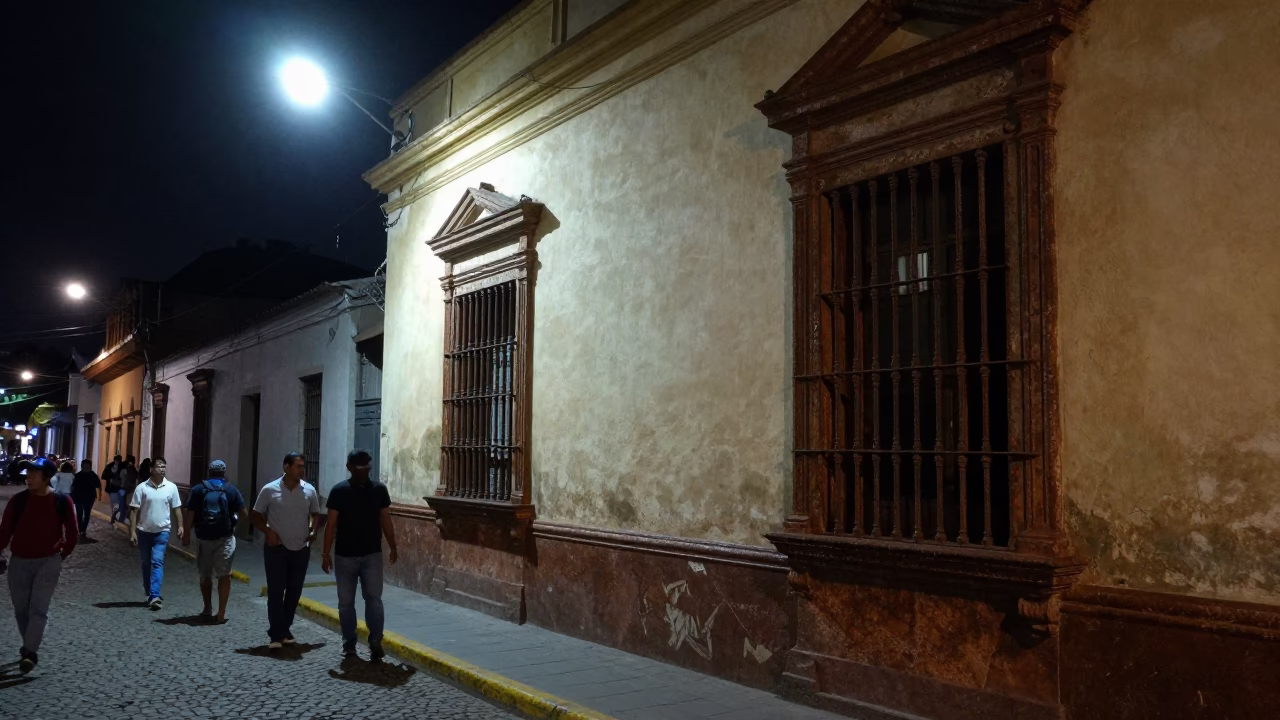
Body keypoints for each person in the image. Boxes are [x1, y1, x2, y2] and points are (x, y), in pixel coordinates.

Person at [0, 457, 78, 674]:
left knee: (38, 609)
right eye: (28, 472)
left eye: (34, 473)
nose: (29, 476)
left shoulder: (62, 501)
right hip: (19, 562)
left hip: (48, 562)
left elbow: (72, 533)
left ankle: (30, 652)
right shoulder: (19, 501)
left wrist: (63, 554)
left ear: (47, 477)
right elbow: (5, 531)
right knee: (21, 610)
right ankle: (29, 645)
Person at [322, 449, 399, 659]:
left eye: (365, 467)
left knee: (364, 601)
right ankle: (356, 643)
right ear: (350, 468)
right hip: (349, 555)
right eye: (360, 467)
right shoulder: (340, 491)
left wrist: (393, 545)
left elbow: (386, 520)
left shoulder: (377, 490)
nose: (363, 471)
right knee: (357, 601)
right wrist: (325, 552)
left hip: (366, 555)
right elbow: (331, 525)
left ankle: (368, 642)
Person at [251, 452, 320, 650]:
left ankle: (284, 629)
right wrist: (267, 531)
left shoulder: (309, 490)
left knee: (294, 592)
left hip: (300, 549)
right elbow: (256, 515)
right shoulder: (269, 490)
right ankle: (276, 633)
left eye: (303, 466)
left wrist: (313, 530)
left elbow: (316, 514)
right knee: (275, 591)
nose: (302, 470)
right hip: (276, 549)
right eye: (298, 466)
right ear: (286, 467)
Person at [182, 459, 245, 624]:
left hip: (203, 538)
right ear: (224, 473)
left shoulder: (198, 489)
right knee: (225, 575)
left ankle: (207, 607)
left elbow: (190, 513)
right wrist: (236, 526)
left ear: (209, 472)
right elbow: (244, 513)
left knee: (205, 575)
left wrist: (186, 533)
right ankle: (221, 612)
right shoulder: (231, 490)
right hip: (225, 538)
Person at [129, 457, 183, 611]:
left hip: (162, 531)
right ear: (151, 470)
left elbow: (177, 508)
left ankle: (155, 595)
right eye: (159, 466)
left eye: (164, 466)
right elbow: (134, 511)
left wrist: (181, 525)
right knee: (146, 563)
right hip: (144, 531)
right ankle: (149, 590)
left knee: (157, 562)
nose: (162, 469)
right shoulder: (141, 488)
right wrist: (132, 531)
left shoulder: (171, 487)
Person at [70, 459, 102, 540]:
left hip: (89, 498)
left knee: (87, 514)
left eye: (87, 466)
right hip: (78, 498)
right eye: (85, 465)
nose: (86, 467)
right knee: (79, 514)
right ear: (82, 466)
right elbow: (73, 487)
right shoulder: (77, 475)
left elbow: (98, 485)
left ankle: (83, 530)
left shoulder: (93, 475)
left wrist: (99, 495)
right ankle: (80, 529)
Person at [103, 454, 123, 523]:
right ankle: (114, 516)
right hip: (112, 488)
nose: (118, 462)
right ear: (115, 461)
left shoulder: (122, 467)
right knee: (114, 503)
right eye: (117, 460)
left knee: (119, 503)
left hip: (120, 487)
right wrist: (111, 478)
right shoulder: (109, 467)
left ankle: (115, 516)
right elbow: (104, 476)